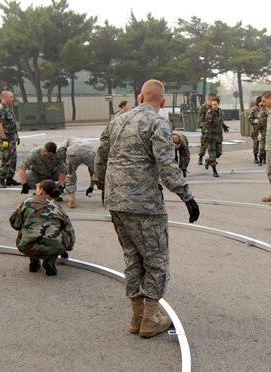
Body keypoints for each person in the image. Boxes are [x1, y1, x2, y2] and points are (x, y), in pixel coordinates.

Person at [95, 79, 200, 338]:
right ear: (162, 103)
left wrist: (105, 190)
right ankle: (150, 319)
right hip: (144, 205)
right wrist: (187, 197)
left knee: (133, 259)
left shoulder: (116, 121)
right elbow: (166, 166)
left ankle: (136, 317)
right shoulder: (158, 122)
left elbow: (100, 159)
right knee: (156, 260)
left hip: (116, 202)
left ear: (140, 97)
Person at [9, 180, 74, 276]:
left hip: (26, 247)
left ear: (41, 191)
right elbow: (69, 230)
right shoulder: (57, 206)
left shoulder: (28, 201)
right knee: (59, 232)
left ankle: (34, 261)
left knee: (27, 230)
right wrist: (67, 247)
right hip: (54, 247)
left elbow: (15, 224)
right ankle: (50, 260)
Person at [57, 138, 96, 209]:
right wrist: (91, 186)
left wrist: (64, 163)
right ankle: (95, 189)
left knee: (71, 175)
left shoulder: (66, 141)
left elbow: (60, 150)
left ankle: (72, 200)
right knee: (95, 173)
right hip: (90, 151)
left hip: (73, 152)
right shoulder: (85, 141)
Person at [0, 91, 22, 188]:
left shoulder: (8, 109)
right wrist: (4, 138)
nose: (12, 99)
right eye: (10, 97)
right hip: (5, 139)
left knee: (13, 159)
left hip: (12, 138)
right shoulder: (0, 109)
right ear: (4, 97)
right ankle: (1, 180)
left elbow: (12, 125)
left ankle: (9, 179)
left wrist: (16, 136)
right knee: (6, 159)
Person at [203, 97, 224, 178]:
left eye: (215, 104)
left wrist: (224, 126)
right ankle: (214, 171)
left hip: (219, 136)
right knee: (213, 155)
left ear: (218, 104)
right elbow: (206, 125)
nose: (214, 106)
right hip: (211, 137)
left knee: (219, 153)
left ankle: (208, 161)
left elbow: (220, 121)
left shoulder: (220, 111)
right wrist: (207, 134)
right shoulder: (209, 113)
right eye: (212, 105)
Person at [197, 93, 216, 165]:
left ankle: (212, 159)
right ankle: (200, 157)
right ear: (209, 100)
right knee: (204, 144)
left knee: (213, 146)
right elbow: (200, 121)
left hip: (213, 130)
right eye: (213, 100)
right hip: (206, 129)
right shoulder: (203, 107)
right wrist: (205, 128)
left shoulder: (214, 107)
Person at [249, 97, 262, 164]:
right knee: (256, 143)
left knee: (263, 144)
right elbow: (250, 118)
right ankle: (255, 157)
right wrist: (254, 121)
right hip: (256, 129)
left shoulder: (264, 108)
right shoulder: (254, 109)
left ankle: (262, 157)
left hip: (263, 129)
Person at [257, 98, 269, 166]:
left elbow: (259, 124)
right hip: (264, 132)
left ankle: (262, 160)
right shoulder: (264, 114)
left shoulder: (262, 114)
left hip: (265, 132)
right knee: (263, 147)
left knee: (263, 147)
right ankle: (262, 160)